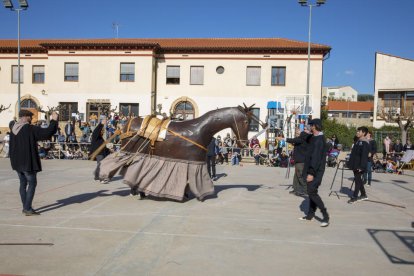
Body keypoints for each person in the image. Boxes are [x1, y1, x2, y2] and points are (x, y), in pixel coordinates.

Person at [9, 110, 58, 216]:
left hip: (17, 163)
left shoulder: (13, 129)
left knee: (22, 184)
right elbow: (47, 133)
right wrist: (54, 120)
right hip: (27, 163)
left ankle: (25, 207)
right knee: (32, 183)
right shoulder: (29, 129)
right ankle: (27, 208)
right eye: (30, 116)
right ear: (25, 117)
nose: (31, 119)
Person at [300, 118, 329, 227]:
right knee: (311, 192)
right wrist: (303, 133)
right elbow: (304, 138)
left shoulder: (319, 140)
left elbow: (316, 158)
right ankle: (310, 215)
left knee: (312, 192)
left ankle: (325, 215)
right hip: (312, 170)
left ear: (315, 126)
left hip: (316, 171)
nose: (309, 127)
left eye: (311, 125)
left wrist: (311, 173)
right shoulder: (314, 137)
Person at [283, 127, 311, 196]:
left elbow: (295, 140)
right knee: (296, 176)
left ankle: (306, 190)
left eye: (305, 129)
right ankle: (296, 189)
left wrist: (284, 139)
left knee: (300, 176)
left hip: (301, 161)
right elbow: (296, 141)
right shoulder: (302, 138)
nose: (303, 131)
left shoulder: (304, 137)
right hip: (298, 160)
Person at [347, 126, 370, 204]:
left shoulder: (365, 142)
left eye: (359, 131)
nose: (357, 132)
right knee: (358, 180)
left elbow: (364, 156)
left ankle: (355, 197)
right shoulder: (357, 141)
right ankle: (363, 194)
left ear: (363, 133)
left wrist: (361, 167)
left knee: (357, 180)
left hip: (359, 165)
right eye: (357, 131)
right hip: (355, 164)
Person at [89, 117, 110, 183]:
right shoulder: (95, 136)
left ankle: (96, 176)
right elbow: (96, 130)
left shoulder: (101, 139)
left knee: (100, 165)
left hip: (102, 153)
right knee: (101, 165)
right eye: (102, 131)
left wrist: (109, 150)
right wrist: (101, 124)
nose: (103, 132)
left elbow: (103, 147)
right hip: (98, 153)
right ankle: (101, 179)